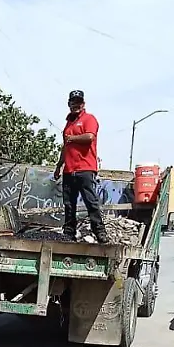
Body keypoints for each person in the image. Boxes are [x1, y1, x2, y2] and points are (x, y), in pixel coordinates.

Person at [53, 89, 109, 243]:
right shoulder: (68, 124)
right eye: (73, 102)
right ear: (69, 104)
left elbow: (89, 137)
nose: (75, 105)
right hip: (69, 170)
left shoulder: (89, 119)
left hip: (85, 168)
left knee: (91, 202)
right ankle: (69, 232)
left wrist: (72, 138)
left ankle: (99, 232)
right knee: (69, 204)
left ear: (83, 104)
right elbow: (65, 147)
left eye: (78, 102)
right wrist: (59, 166)